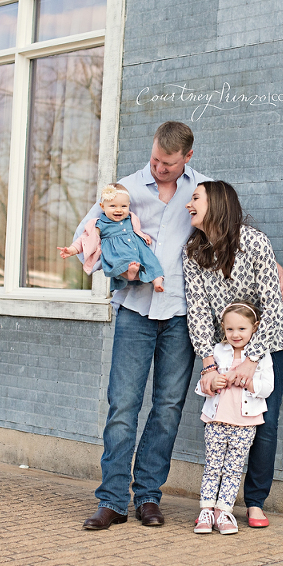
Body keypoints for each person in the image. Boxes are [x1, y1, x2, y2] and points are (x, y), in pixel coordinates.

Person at [78, 121, 210, 530]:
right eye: (155, 159)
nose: (159, 168)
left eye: (168, 164)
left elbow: (229, 231)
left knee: (168, 409)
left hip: (182, 314)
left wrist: (268, 259)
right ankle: (113, 500)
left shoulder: (204, 189)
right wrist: (121, 270)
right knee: (123, 407)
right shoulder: (125, 190)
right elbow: (86, 238)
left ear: (187, 158)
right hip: (135, 310)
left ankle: (148, 497)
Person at [183, 180, 283, 528]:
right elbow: (198, 311)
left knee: (265, 420)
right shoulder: (194, 252)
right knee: (223, 420)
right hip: (224, 347)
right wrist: (208, 363)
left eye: (196, 198)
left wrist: (253, 358)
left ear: (216, 203)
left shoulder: (254, 242)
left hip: (270, 343)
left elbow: (272, 304)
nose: (189, 204)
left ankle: (256, 502)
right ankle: (215, 503)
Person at [193, 301, 274, 535]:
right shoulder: (218, 351)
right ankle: (206, 511)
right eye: (230, 329)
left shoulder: (260, 356)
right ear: (223, 329)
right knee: (212, 466)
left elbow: (268, 387)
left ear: (254, 328)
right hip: (216, 420)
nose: (235, 334)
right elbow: (202, 385)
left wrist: (250, 382)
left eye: (241, 329)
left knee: (233, 468)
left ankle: (224, 511)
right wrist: (211, 384)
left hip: (245, 424)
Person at [58, 182, 165, 292]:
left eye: (123, 206)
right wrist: (72, 250)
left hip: (137, 247)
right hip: (116, 251)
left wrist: (143, 236)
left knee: (151, 260)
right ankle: (129, 273)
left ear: (128, 206)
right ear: (102, 207)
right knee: (119, 262)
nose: (118, 210)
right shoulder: (101, 224)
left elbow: (136, 230)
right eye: (113, 206)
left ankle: (157, 282)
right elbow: (86, 238)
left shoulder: (131, 217)